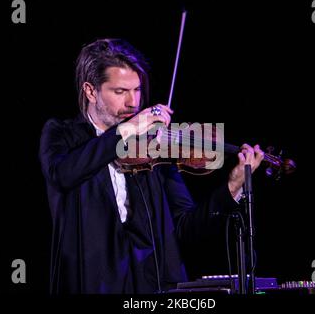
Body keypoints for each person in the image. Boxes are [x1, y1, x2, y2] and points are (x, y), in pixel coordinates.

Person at [39, 38, 264, 294]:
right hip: (92, 283)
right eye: (120, 92)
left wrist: (232, 187)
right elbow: (63, 175)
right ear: (91, 91)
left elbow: (183, 228)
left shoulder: (153, 146)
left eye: (137, 90)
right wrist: (127, 129)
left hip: (155, 286)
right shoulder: (61, 134)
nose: (134, 103)